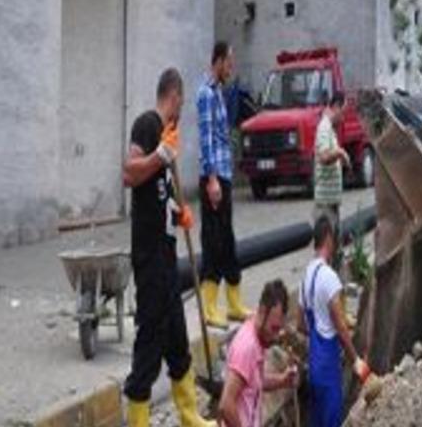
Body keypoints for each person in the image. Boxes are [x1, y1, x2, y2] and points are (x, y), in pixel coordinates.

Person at [121, 68, 214, 427]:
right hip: (149, 256)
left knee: (176, 336)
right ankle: (139, 420)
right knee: (151, 336)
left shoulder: (168, 139)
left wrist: (179, 212)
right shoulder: (148, 124)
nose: (180, 112)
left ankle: (190, 415)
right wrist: (159, 155)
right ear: (173, 97)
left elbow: (159, 193)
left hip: (166, 254)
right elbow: (129, 173)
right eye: (181, 104)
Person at [297, 216, 370, 427]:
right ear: (329, 238)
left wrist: (318, 331)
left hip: (313, 366)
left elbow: (301, 324)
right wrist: (356, 361)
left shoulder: (305, 277)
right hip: (328, 369)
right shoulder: (329, 277)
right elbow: (340, 327)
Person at [197, 41, 251, 328]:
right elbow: (206, 139)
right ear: (217, 61)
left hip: (224, 176)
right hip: (214, 178)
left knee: (227, 240)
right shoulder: (206, 93)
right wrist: (212, 179)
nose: (231, 68)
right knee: (213, 241)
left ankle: (234, 304)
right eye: (228, 63)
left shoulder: (218, 91)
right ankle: (208, 308)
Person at [219, 279, 300, 427]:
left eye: (279, 329)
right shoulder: (247, 347)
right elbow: (226, 405)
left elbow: (254, 382)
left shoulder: (258, 337)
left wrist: (282, 381)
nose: (276, 336)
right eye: (273, 328)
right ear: (262, 311)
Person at [312, 92, 350, 263]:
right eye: (343, 112)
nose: (343, 118)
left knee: (334, 252)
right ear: (335, 107)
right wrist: (340, 153)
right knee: (325, 253)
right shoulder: (324, 127)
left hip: (331, 203)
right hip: (325, 205)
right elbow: (323, 156)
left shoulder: (329, 129)